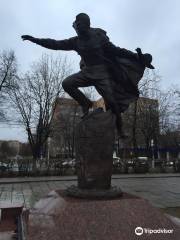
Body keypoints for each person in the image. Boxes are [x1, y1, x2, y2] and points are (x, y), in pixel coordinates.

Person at [21, 13, 154, 137]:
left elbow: (117, 51)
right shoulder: (76, 41)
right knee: (67, 83)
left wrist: (135, 56)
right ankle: (85, 103)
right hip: (87, 72)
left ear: (87, 25)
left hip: (102, 73)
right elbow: (55, 44)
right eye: (76, 25)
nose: (78, 28)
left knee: (113, 104)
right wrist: (35, 40)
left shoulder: (98, 37)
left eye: (80, 25)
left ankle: (119, 129)